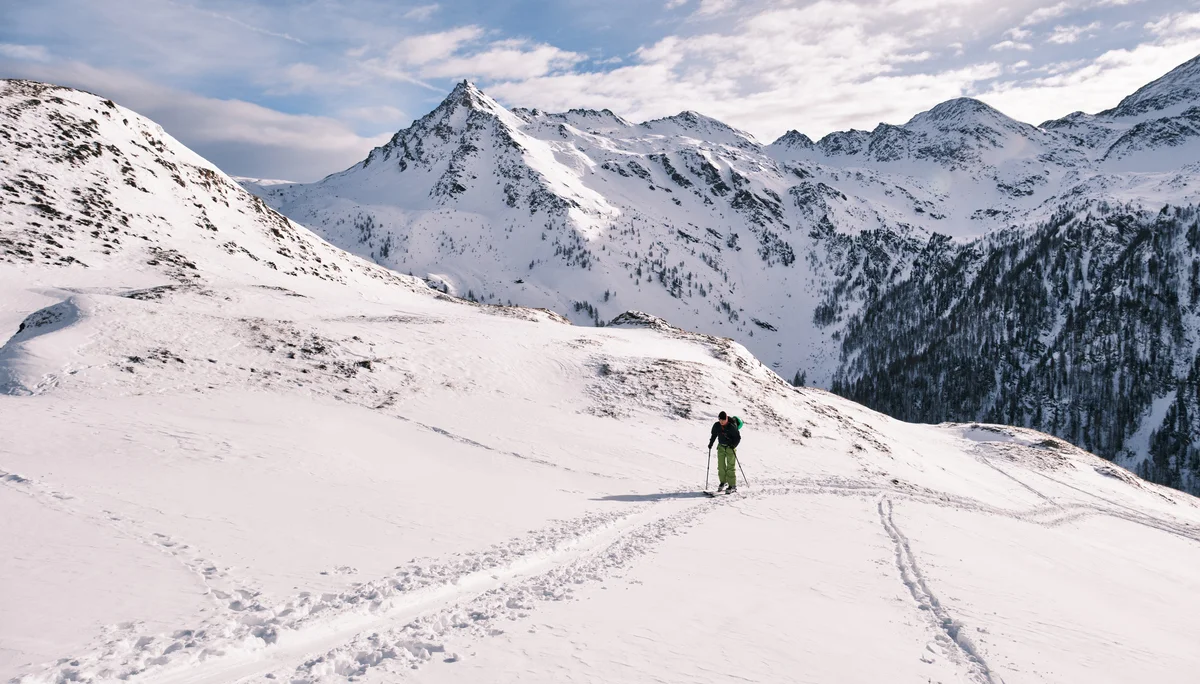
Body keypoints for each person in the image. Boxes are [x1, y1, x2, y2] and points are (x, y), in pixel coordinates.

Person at [707, 411, 741, 493]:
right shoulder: (716, 425)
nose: (721, 421)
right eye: (720, 419)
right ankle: (723, 482)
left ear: (726, 419)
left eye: (723, 420)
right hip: (721, 447)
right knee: (721, 466)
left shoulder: (731, 426)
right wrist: (711, 443)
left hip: (730, 448)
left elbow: (738, 437)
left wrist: (733, 445)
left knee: (730, 467)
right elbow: (714, 435)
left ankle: (732, 485)